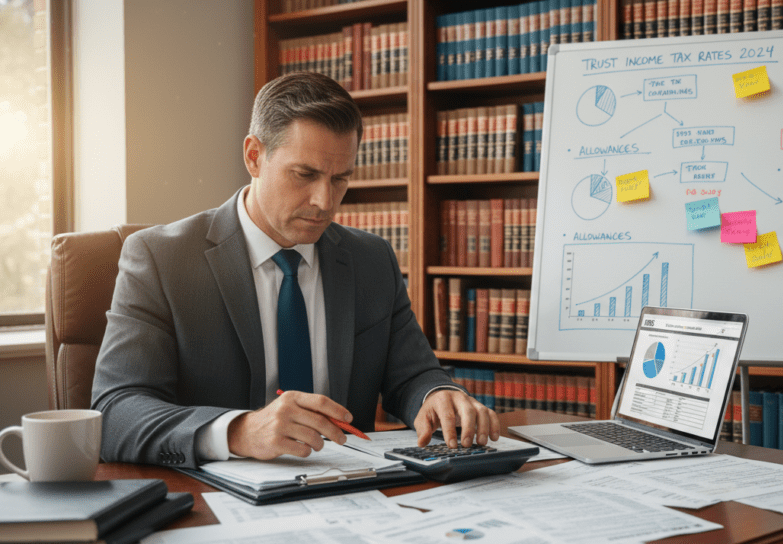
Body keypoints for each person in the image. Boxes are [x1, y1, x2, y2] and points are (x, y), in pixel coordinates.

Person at [91, 72, 499, 468]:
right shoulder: (160, 259)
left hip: (350, 493)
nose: (324, 201)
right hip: (215, 503)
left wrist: (436, 394)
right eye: (304, 175)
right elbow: (115, 412)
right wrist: (238, 431)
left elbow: (413, 374)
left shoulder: (371, 260)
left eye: (340, 179)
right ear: (254, 156)